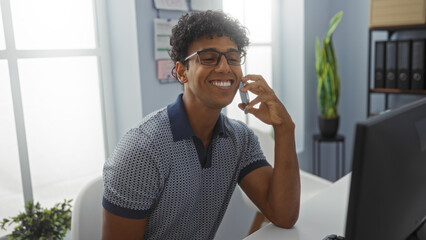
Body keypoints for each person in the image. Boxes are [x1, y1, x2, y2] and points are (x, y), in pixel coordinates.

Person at [101, 10, 300, 240]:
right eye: (208, 57)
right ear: (181, 72)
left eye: (233, 58)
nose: (225, 68)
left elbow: (284, 215)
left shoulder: (240, 139)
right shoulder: (142, 151)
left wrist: (285, 128)